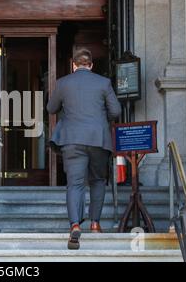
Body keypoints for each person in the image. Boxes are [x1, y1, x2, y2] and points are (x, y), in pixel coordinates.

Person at [47, 48, 121, 250]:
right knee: (97, 180)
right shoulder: (103, 83)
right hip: (98, 138)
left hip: (72, 140)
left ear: (74, 64)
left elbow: (51, 108)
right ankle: (95, 224)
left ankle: (75, 225)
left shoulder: (63, 83)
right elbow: (116, 110)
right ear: (91, 65)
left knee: (75, 184)